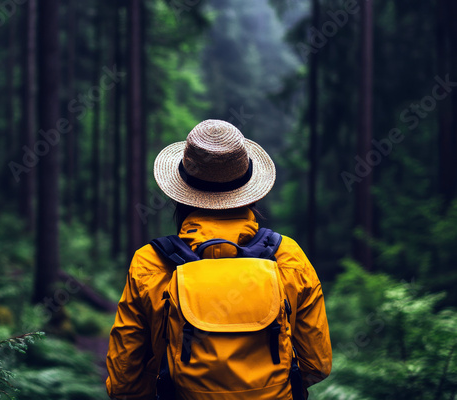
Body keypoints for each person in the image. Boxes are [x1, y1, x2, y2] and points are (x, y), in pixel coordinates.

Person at [106, 120, 332, 400]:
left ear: (181, 192)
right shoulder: (288, 256)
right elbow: (316, 363)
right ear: (249, 189)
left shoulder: (150, 262)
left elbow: (123, 379)